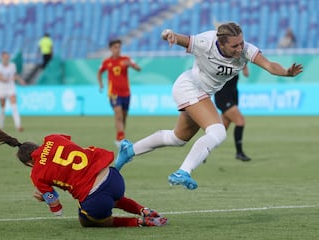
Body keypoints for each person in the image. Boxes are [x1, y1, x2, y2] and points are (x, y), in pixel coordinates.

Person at [115, 22, 303, 190]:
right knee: (217, 131)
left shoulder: (246, 49)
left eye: (241, 43)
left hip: (202, 94)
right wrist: (168, 34)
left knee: (177, 138)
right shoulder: (206, 42)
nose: (240, 48)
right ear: (220, 43)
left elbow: (269, 65)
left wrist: (286, 72)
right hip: (189, 87)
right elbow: (175, 36)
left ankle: (129, 150)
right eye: (234, 45)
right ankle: (183, 171)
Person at [0, 124, 167, 228]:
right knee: (112, 198)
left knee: (86, 220)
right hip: (113, 177)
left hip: (95, 197)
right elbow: (66, 140)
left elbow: (57, 208)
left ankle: (140, 222)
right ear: (36, 146)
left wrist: (45, 197)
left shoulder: (36, 174)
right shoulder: (52, 138)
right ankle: (144, 210)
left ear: (28, 163)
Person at [97, 39, 141, 147]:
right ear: (111, 49)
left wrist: (131, 64)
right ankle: (120, 139)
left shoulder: (126, 59)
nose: (118, 49)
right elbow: (99, 72)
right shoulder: (106, 62)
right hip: (114, 93)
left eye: (119, 47)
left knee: (124, 117)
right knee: (118, 115)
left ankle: (120, 136)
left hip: (126, 93)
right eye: (115, 47)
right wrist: (101, 84)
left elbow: (139, 68)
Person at [214, 64, 251, 161]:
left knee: (221, 130)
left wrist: (244, 66)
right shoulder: (220, 58)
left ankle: (203, 150)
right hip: (223, 96)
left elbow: (245, 71)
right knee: (240, 121)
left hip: (232, 94)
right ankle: (239, 153)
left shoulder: (236, 57)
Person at [0, 51, 26, 132]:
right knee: (2, 106)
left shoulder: (12, 66)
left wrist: (20, 80)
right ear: (2, 58)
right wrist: (6, 79)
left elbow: (15, 75)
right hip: (2, 87)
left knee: (14, 105)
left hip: (11, 87)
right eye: (5, 57)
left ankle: (18, 125)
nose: (6, 59)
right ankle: (1, 126)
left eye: (7, 57)